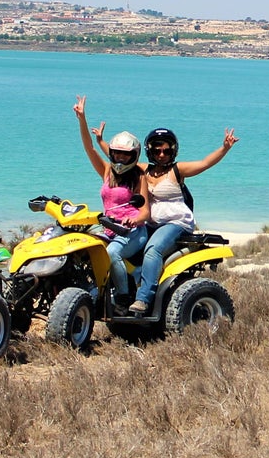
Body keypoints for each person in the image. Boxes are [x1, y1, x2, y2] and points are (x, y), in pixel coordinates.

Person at [114, 126, 238, 315]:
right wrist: (99, 142)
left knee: (153, 249)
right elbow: (122, 156)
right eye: (157, 150)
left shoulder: (177, 170)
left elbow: (204, 163)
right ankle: (123, 292)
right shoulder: (144, 170)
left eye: (166, 150)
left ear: (173, 150)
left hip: (176, 223)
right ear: (149, 151)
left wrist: (224, 148)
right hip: (150, 223)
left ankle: (143, 298)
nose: (162, 154)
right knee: (121, 244)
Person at [73, 95, 151, 300]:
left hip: (132, 232)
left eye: (125, 155)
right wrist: (82, 119)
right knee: (83, 249)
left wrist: (133, 220)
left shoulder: (138, 176)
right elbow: (89, 148)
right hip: (108, 228)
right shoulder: (107, 172)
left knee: (112, 253)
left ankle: (124, 298)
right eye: (117, 154)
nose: (120, 158)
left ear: (134, 156)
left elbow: (145, 211)